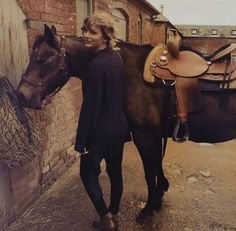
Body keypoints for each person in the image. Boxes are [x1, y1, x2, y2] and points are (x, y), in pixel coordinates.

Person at [74, 11, 131, 231]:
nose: (86, 35)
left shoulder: (96, 66)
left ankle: (105, 217)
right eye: (84, 30)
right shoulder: (116, 57)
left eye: (92, 32)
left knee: (87, 174)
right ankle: (114, 213)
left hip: (100, 132)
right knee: (115, 171)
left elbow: (91, 108)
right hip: (118, 127)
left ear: (105, 35)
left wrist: (81, 142)